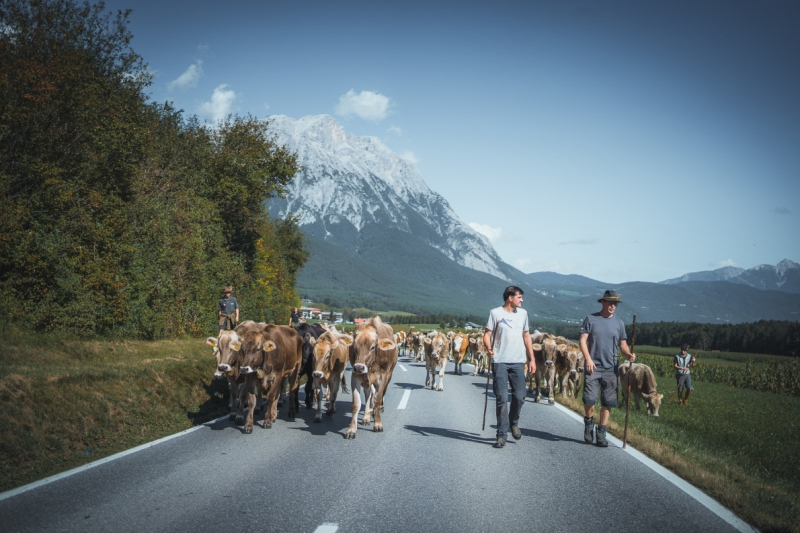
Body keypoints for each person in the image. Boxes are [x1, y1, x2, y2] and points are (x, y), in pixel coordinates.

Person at [580, 290, 635, 447]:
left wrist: (628, 354)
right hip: (593, 366)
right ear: (603, 302)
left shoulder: (619, 323)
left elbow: (623, 344)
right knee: (589, 399)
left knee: (608, 401)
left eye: (615, 304)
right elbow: (583, 340)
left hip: (611, 368)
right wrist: (588, 359)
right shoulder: (591, 319)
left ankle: (601, 432)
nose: (613, 306)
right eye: (610, 303)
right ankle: (589, 422)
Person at [484, 286, 536, 449]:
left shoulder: (523, 314)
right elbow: (487, 334)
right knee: (501, 398)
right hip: (500, 361)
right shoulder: (495, 313)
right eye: (519, 297)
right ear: (510, 298)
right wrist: (489, 348)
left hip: (518, 361)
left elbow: (526, 336)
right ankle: (501, 435)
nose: (522, 300)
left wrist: (532, 359)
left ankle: (514, 422)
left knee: (520, 397)